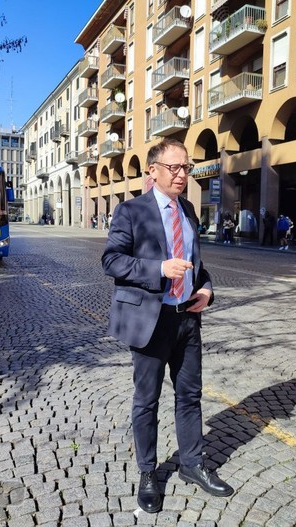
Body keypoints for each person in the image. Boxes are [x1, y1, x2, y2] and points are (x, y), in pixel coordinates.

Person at [102, 138, 233, 514]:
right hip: (150, 321)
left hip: (187, 319)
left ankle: (192, 465)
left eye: (186, 168)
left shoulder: (189, 210)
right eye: (174, 168)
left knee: (189, 396)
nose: (181, 175)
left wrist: (206, 289)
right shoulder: (130, 211)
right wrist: (158, 269)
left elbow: (197, 264)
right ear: (153, 170)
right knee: (147, 401)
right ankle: (148, 473)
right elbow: (111, 261)